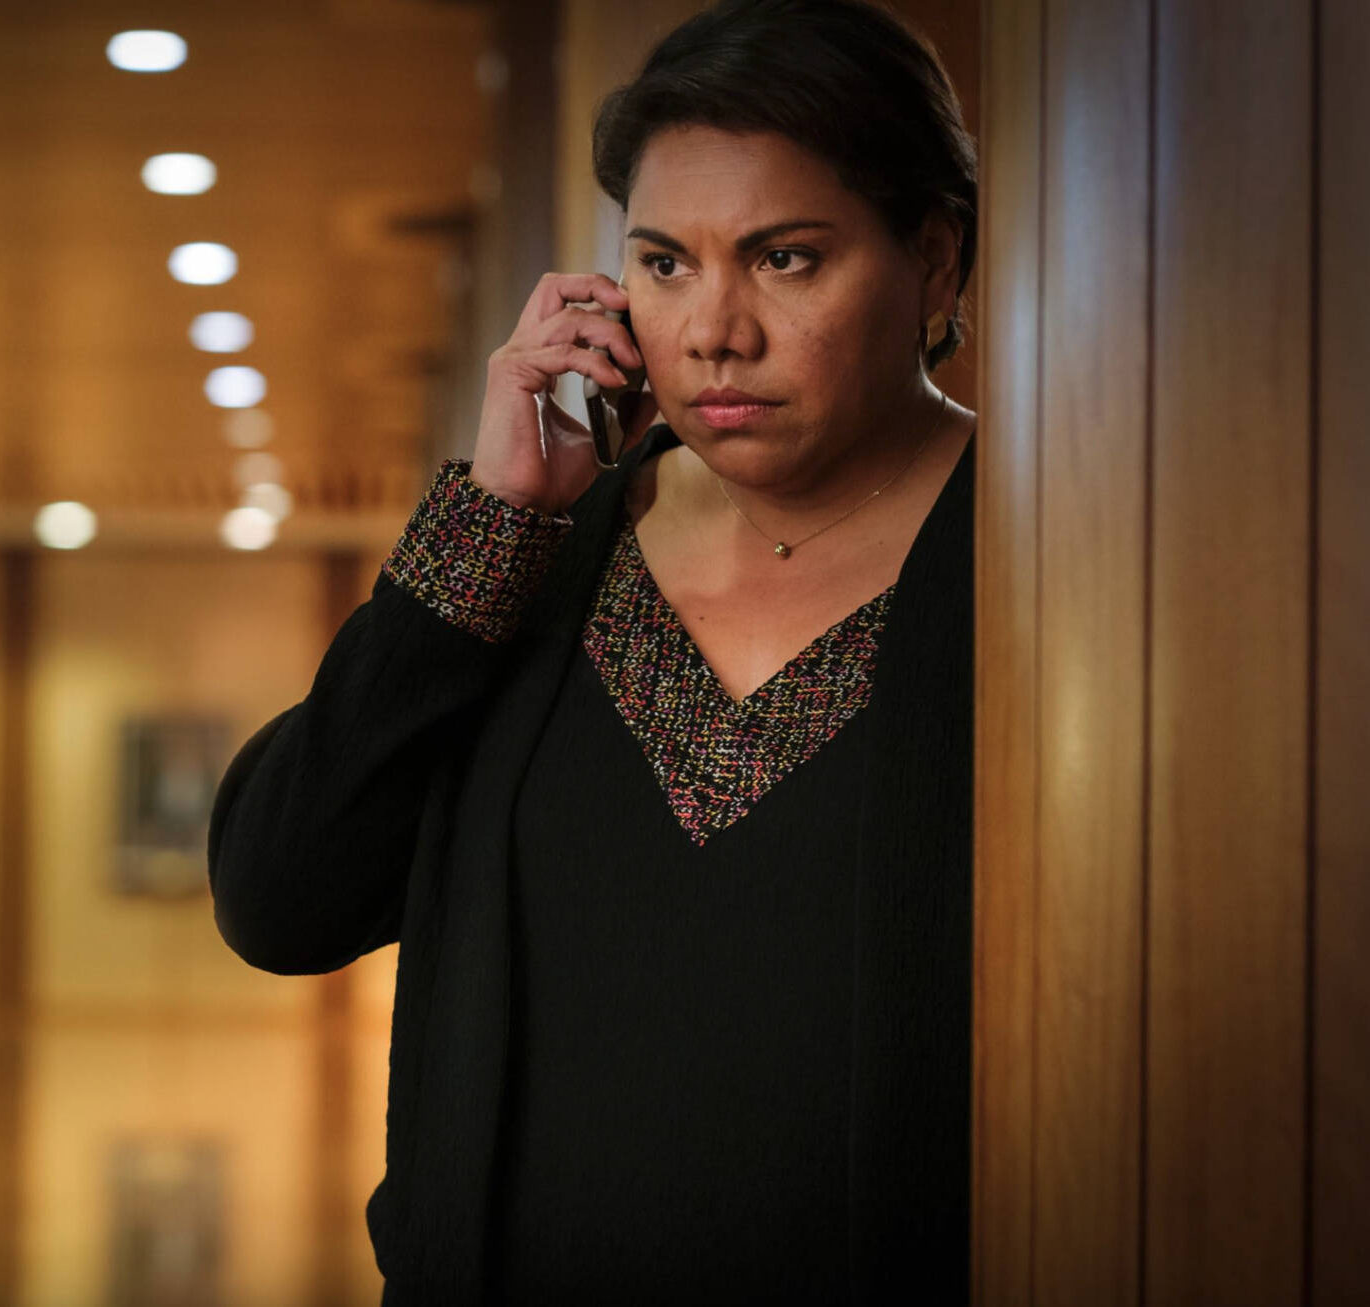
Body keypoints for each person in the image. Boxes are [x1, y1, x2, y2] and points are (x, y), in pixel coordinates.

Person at [208, 1, 978, 1301]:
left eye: (786, 259)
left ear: (935, 262)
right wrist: (491, 524)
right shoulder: (543, 564)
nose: (714, 329)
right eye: (665, 264)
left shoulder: (1046, 565)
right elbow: (280, 901)